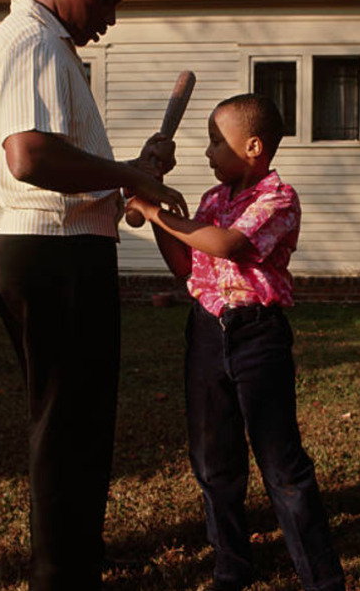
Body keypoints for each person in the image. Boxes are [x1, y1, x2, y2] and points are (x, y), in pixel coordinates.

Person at [0, 0, 187, 591]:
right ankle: (61, 577)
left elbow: (70, 165)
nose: (108, 17)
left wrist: (128, 175)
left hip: (65, 251)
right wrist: (127, 174)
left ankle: (77, 557)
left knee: (82, 420)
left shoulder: (53, 45)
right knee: (66, 426)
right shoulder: (32, 37)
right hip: (51, 257)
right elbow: (29, 156)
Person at [127, 93, 346, 591]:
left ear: (252, 146)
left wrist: (155, 212)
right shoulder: (209, 202)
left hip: (257, 336)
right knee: (212, 459)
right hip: (206, 330)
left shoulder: (278, 199)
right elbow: (187, 264)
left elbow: (228, 245)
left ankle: (321, 579)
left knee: (281, 463)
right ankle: (232, 565)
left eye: (213, 141)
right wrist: (158, 209)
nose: (206, 152)